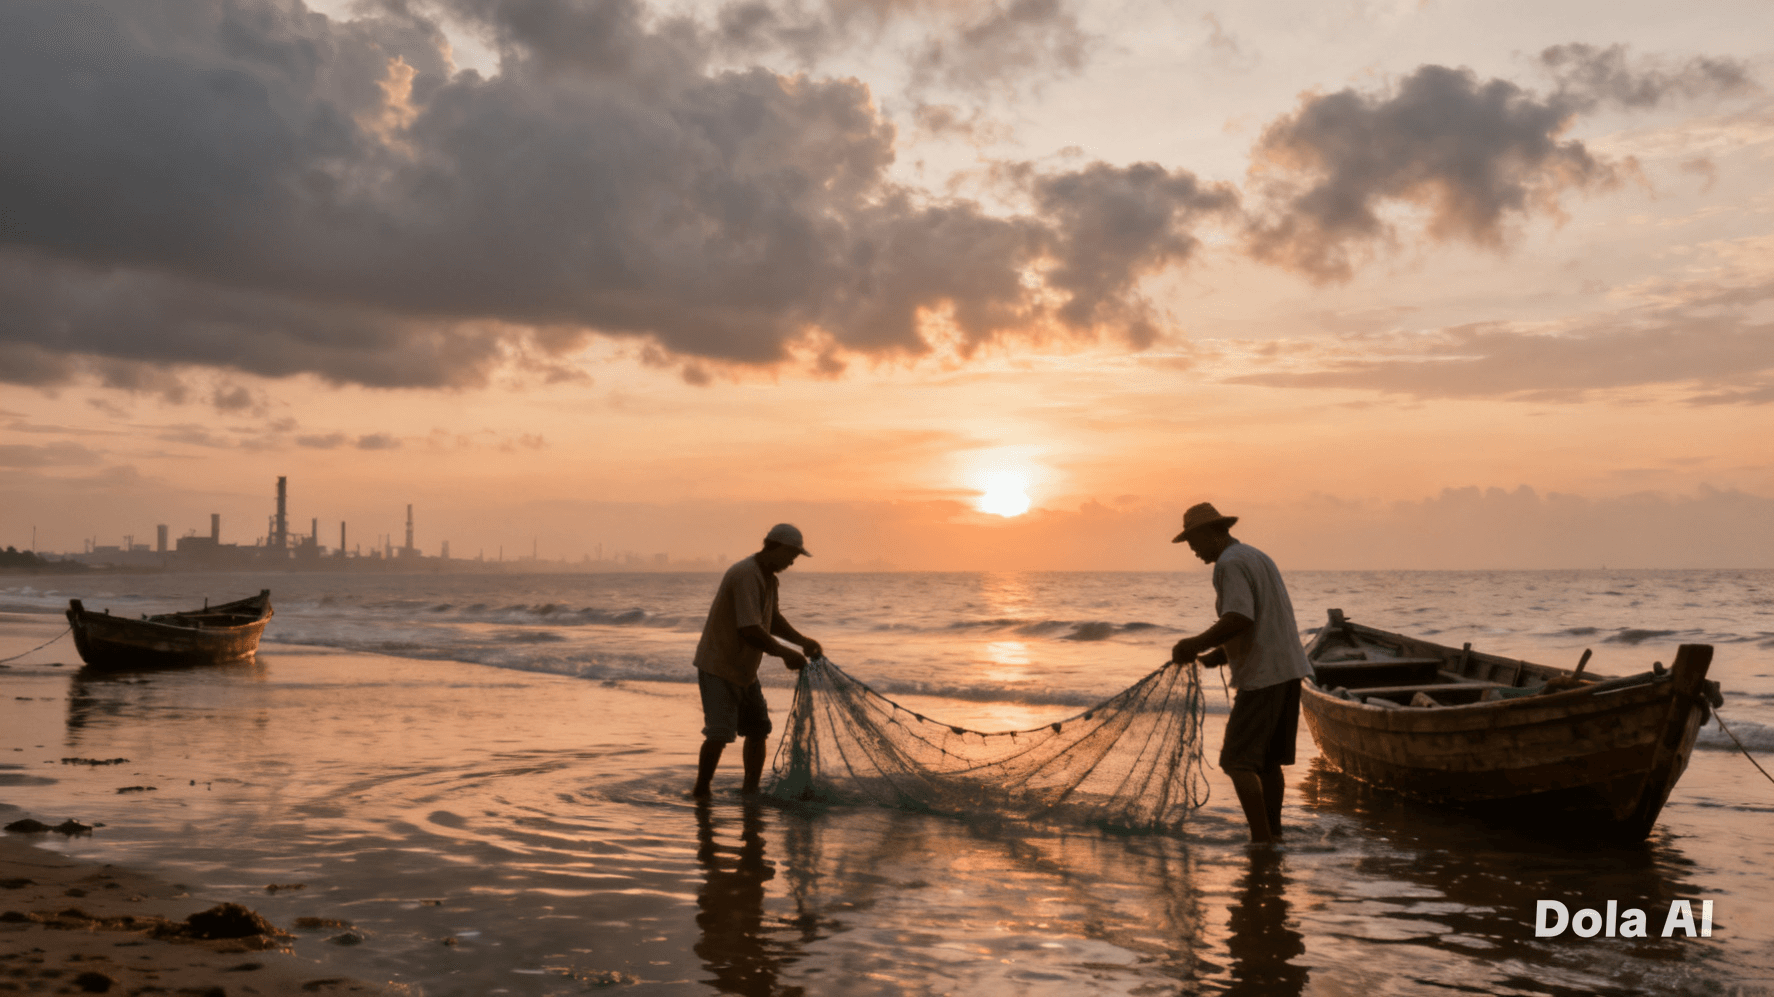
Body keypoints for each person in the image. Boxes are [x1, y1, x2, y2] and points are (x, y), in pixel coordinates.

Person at [1167, 502, 1313, 844]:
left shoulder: (1229, 565)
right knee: (1268, 762)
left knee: (1237, 761)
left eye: (1194, 542)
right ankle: (1274, 836)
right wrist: (1221, 654)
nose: (1193, 550)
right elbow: (1259, 617)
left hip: (1264, 677)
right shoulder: (1255, 556)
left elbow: (1239, 617)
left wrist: (1196, 643)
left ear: (1210, 533)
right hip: (1290, 669)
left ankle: (1260, 842)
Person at [691, 523, 823, 798]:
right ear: (775, 547)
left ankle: (749, 791)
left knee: (759, 729)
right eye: (791, 555)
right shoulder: (746, 574)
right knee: (719, 732)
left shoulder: (769, 578)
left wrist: (802, 642)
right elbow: (750, 630)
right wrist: (786, 654)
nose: (792, 561)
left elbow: (771, 620)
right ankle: (701, 791)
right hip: (719, 665)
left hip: (745, 670)